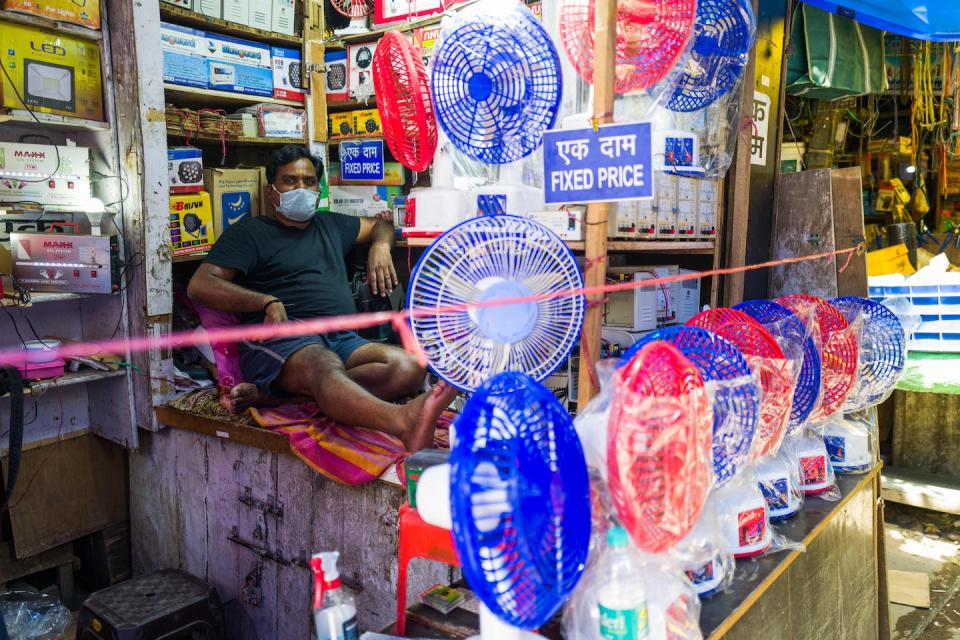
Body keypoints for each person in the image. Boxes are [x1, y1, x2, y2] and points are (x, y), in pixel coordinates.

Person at [187, 145, 454, 452]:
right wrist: (265, 302)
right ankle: (401, 421)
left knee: (408, 366)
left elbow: (381, 226)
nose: (301, 188)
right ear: (271, 190)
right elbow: (200, 284)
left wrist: (380, 247)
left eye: (309, 181)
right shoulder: (250, 232)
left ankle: (283, 397)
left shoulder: (331, 225)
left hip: (339, 338)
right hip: (284, 342)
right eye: (290, 181)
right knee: (323, 365)